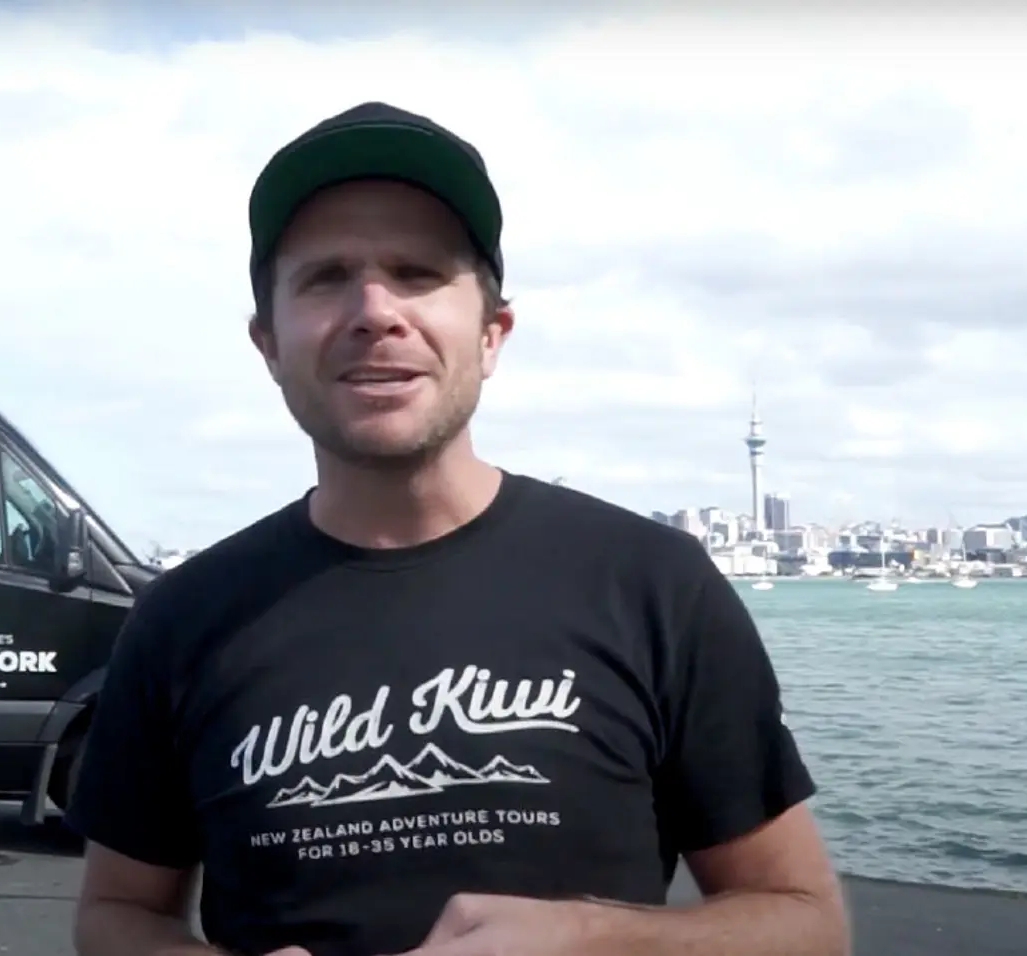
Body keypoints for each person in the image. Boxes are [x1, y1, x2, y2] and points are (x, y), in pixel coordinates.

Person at [64, 101, 851, 956]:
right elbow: (117, 914)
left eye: (417, 271)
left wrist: (592, 939)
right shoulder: (181, 619)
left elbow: (805, 921)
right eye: (326, 277)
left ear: (491, 333)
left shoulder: (655, 584)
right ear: (269, 344)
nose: (374, 310)